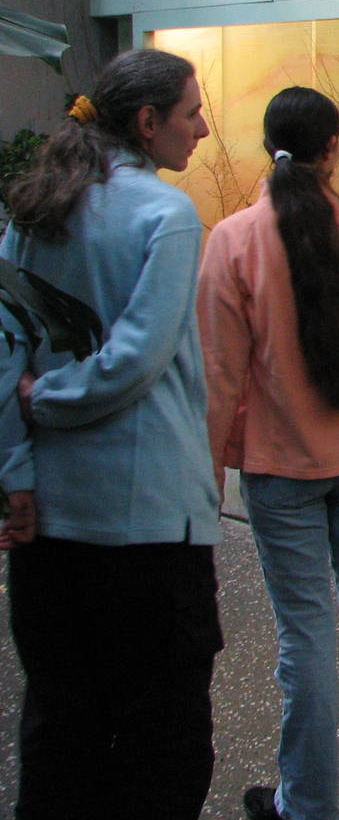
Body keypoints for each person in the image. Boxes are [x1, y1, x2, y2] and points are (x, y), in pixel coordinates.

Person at [0, 49, 222, 820]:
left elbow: (6, 356)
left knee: (61, 732)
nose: (201, 128)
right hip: (149, 529)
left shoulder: (33, 210)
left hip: (53, 526)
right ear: (148, 121)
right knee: (164, 744)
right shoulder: (166, 215)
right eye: (192, 113)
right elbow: (135, 361)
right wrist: (50, 399)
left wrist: (17, 474)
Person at [198, 86, 339, 820]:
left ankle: (308, 802)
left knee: (305, 636)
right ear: (334, 149)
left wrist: (205, 470)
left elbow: (219, 374)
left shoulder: (232, 239)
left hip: (281, 468)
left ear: (271, 146)